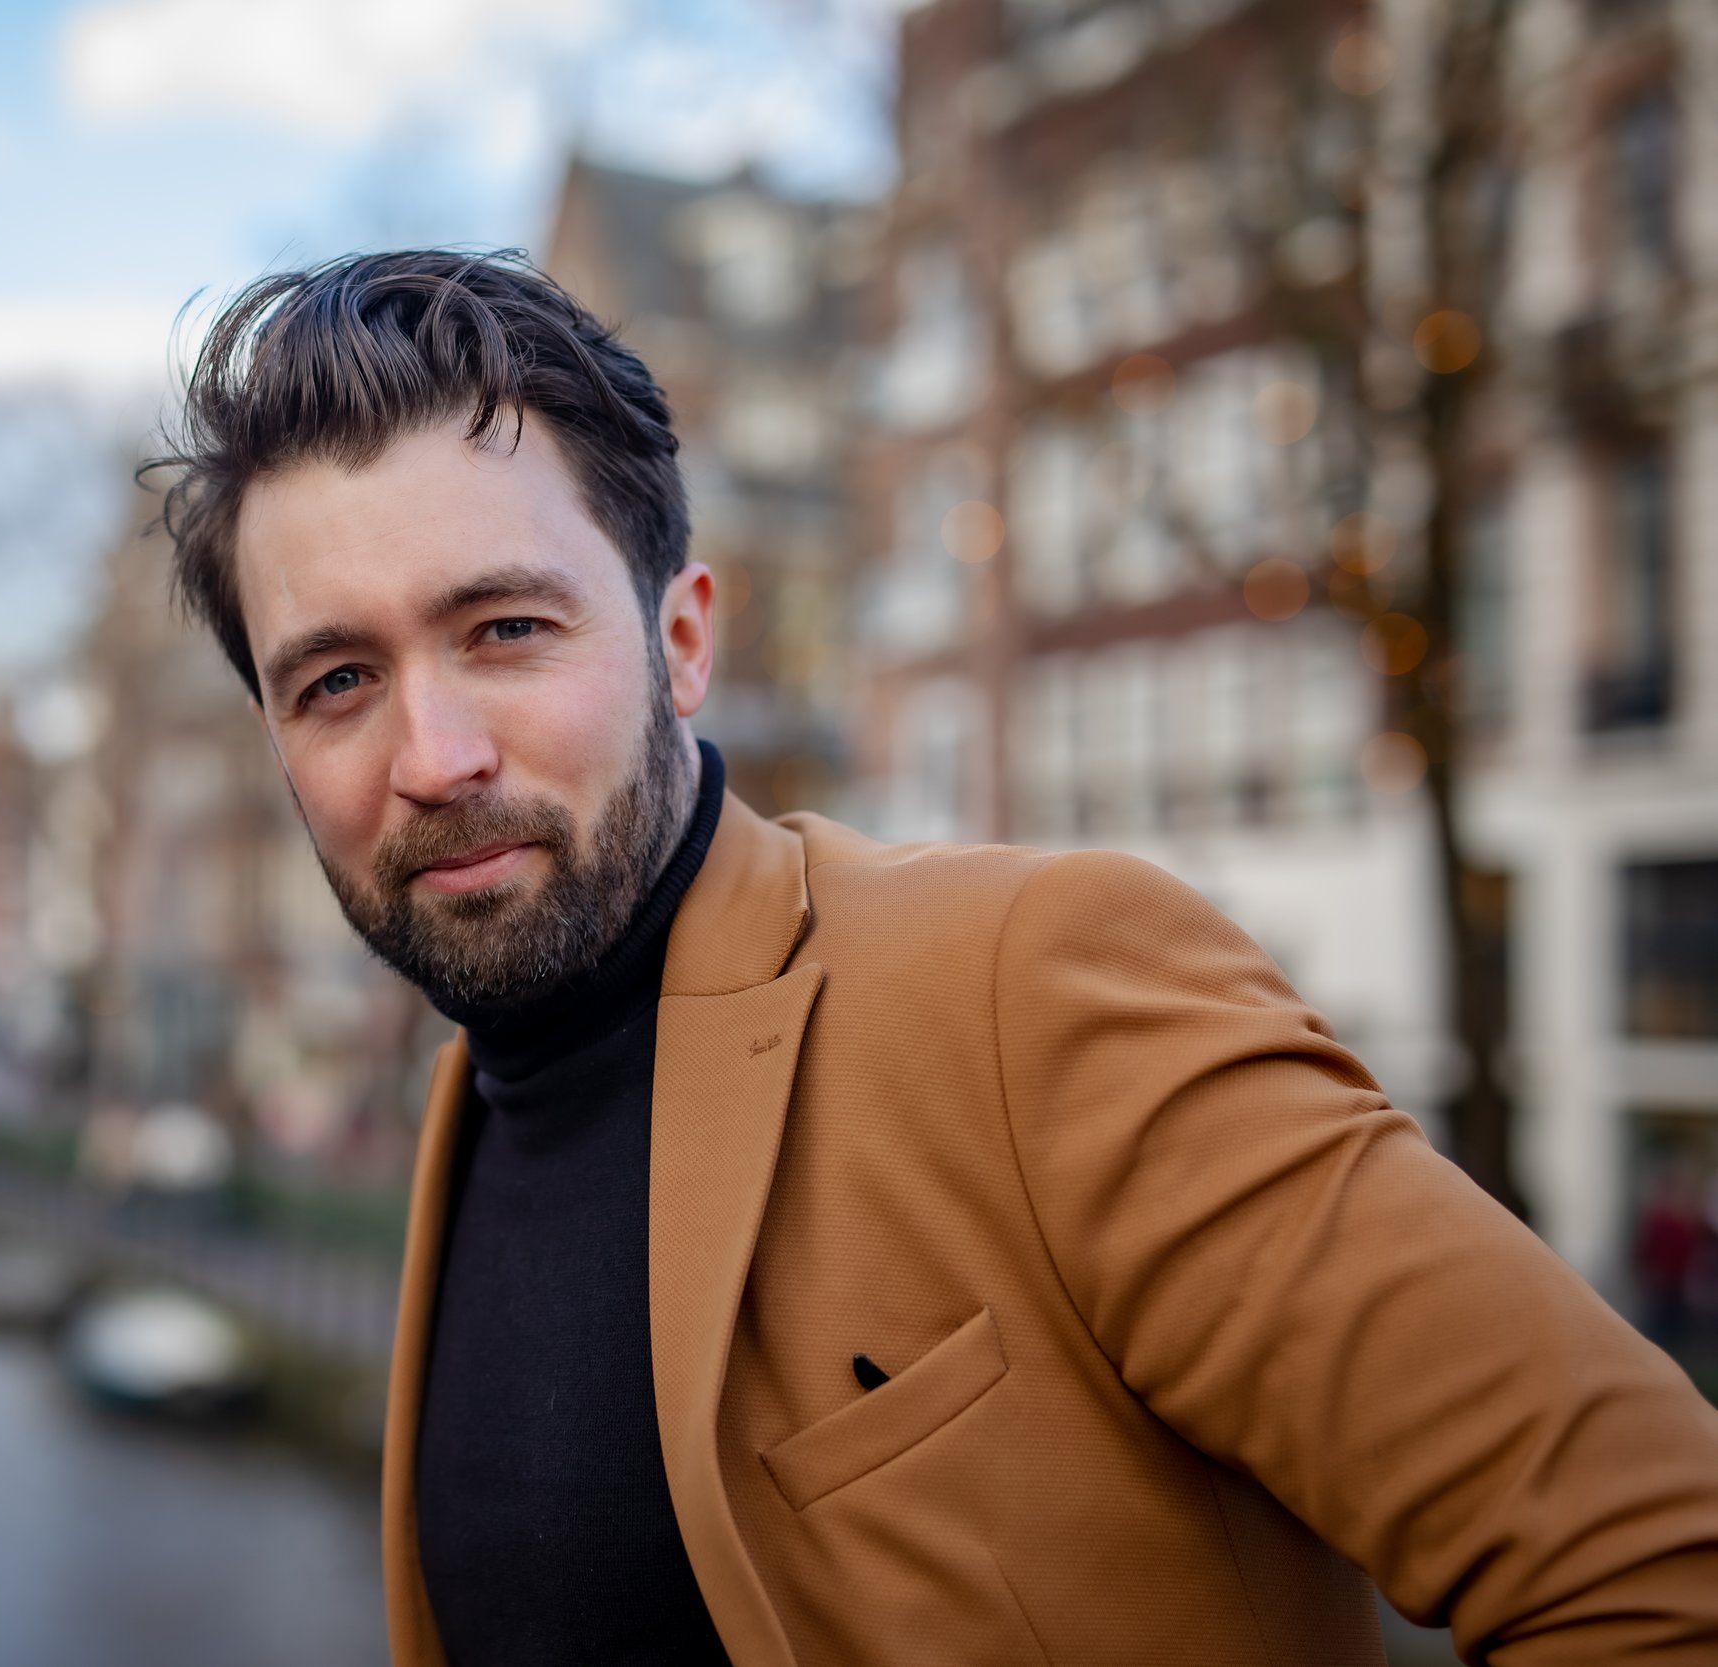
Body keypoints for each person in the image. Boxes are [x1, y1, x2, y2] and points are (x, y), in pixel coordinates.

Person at [144, 249, 1718, 1666]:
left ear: (684, 640)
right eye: (337, 679)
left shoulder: (1029, 985)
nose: (432, 754)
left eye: (505, 630)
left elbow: (1659, 1567)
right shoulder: (461, 1128)